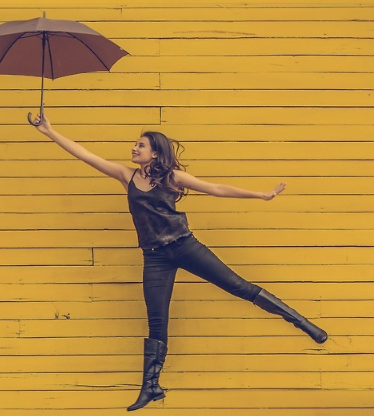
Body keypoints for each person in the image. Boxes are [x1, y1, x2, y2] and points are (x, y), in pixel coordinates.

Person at [27, 112, 327, 411]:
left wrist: (261, 195)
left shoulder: (173, 178)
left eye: (140, 145)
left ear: (154, 153)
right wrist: (49, 132)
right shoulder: (125, 175)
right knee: (157, 320)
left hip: (185, 246)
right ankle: (151, 386)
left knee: (239, 287)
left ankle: (302, 322)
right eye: (135, 145)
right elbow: (85, 155)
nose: (134, 149)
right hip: (155, 257)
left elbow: (216, 188)